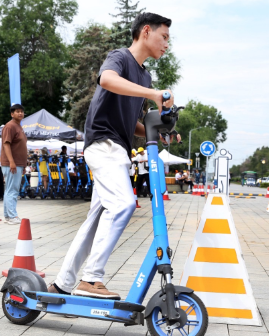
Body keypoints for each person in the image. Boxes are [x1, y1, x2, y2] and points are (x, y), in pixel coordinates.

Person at [48, 13, 176, 299]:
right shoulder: (120, 57)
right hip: (104, 143)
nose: (167, 44)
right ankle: (91, 279)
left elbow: (131, 123)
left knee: (94, 221)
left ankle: (61, 284)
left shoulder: (144, 75)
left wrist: (160, 131)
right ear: (146, 31)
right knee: (123, 204)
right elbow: (106, 79)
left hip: (118, 146)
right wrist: (154, 94)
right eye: (164, 37)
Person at [1, 104, 28, 225]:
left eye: (22, 111)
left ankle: (8, 216)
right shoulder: (10, 126)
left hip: (18, 163)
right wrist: (12, 162)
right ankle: (12, 216)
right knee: (12, 190)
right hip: (12, 163)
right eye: (17, 111)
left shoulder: (18, 126)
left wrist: (23, 164)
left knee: (10, 189)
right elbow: (6, 144)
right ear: (12, 114)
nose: (20, 113)